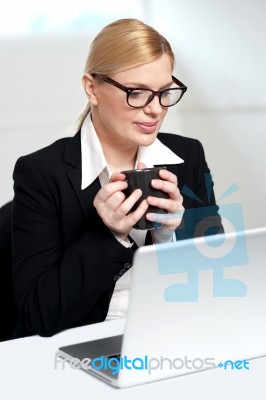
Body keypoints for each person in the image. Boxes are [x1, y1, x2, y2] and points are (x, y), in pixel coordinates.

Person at [12, 18, 223, 339]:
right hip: (80, 344)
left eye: (165, 92)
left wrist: (173, 235)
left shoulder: (187, 157)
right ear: (91, 88)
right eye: (137, 93)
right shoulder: (42, 173)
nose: (155, 110)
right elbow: (40, 316)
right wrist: (109, 234)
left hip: (171, 335)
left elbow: (215, 284)